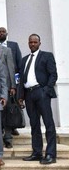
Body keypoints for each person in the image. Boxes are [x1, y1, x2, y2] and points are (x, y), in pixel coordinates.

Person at [18, 34, 58, 165]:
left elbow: (53, 74)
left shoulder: (47, 56)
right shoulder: (24, 60)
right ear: (28, 43)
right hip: (29, 95)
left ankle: (51, 154)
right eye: (31, 42)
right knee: (34, 125)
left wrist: (46, 90)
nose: (33, 44)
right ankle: (36, 153)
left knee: (48, 124)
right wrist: (21, 96)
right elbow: (21, 80)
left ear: (39, 43)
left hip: (41, 92)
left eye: (35, 42)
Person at [0, 27, 23, 136]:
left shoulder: (13, 45)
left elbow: (19, 61)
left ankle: (14, 126)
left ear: (7, 34)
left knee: (13, 104)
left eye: (3, 32)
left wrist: (17, 80)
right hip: (0, 81)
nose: (1, 33)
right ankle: (2, 128)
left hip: (13, 79)